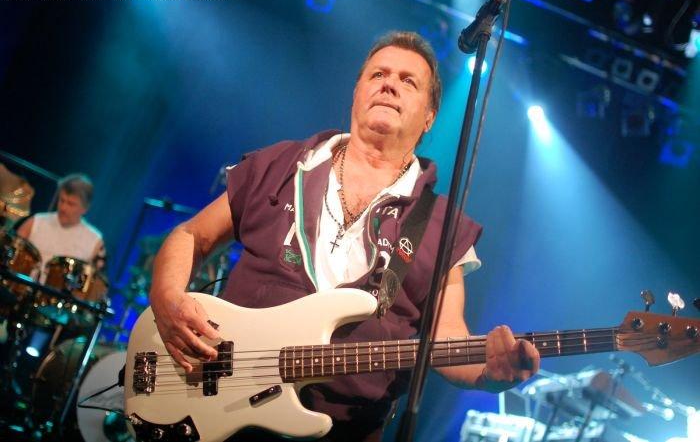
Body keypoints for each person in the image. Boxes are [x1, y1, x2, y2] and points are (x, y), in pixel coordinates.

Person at [148, 31, 540, 441]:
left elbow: (448, 338)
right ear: (356, 93)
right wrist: (167, 297)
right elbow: (192, 235)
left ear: (429, 117)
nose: (389, 84)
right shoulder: (282, 164)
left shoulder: (443, 225)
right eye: (378, 74)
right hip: (219, 404)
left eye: (408, 81)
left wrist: (489, 375)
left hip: (345, 431)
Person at [16, 173, 106, 275]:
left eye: (71, 204)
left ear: (85, 208)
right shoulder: (35, 221)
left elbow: (95, 280)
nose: (63, 208)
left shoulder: (95, 242)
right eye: (62, 200)